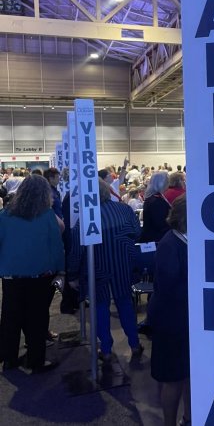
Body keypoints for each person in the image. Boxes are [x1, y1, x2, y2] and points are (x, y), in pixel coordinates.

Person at [68, 180, 142, 361]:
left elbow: (77, 249)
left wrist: (72, 273)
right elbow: (137, 233)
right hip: (123, 265)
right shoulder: (124, 209)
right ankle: (135, 343)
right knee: (124, 303)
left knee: (100, 307)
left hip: (97, 268)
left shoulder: (86, 217)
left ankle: (106, 349)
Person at [0, 175, 65, 372]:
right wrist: (61, 270)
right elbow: (56, 246)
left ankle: (9, 359)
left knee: (10, 318)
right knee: (37, 319)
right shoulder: (46, 215)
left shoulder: (4, 214)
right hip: (39, 276)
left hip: (11, 276)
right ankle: (36, 362)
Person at [148, 195, 190, 426]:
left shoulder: (181, 240)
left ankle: (188, 419)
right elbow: (169, 287)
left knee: (187, 376)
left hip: (182, 321)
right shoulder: (170, 244)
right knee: (173, 380)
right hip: (171, 322)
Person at [139, 171, 171, 243]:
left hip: (154, 237)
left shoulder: (152, 198)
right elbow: (160, 224)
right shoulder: (156, 201)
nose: (169, 184)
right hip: (156, 239)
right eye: (167, 182)